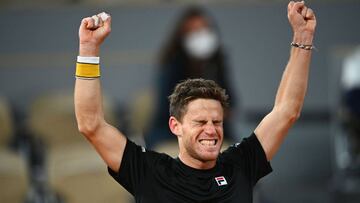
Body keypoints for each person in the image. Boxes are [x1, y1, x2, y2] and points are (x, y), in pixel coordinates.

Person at [74, 1, 316, 202]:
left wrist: (303, 36)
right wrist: (88, 48)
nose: (211, 130)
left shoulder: (240, 165)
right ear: (175, 125)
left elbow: (287, 111)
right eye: (200, 121)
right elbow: (90, 124)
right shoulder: (149, 171)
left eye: (216, 121)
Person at [145, 6, 237, 148]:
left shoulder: (216, 64)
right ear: (182, 36)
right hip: (171, 133)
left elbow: (232, 103)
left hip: (213, 131)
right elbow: (167, 108)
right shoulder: (172, 65)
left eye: (203, 29)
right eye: (194, 31)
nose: (200, 36)